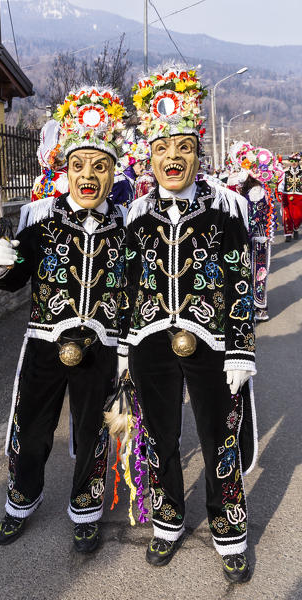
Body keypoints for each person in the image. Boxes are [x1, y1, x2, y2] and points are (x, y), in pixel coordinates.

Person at [0, 86, 127, 555]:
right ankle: (20, 502)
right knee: (31, 429)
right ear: (66, 171)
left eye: (99, 166)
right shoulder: (43, 221)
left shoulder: (124, 228)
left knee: (94, 433)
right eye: (78, 166)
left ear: (113, 170)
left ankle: (86, 512)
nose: (88, 176)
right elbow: (14, 279)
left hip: (102, 350)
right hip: (44, 347)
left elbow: (137, 291)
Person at [118, 65, 257, 583]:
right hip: (149, 342)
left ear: (199, 153)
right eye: (162, 148)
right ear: (148, 156)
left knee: (219, 437)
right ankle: (168, 520)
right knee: (158, 436)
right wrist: (122, 349)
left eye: (183, 148)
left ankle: (229, 531)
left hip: (213, 343)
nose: (172, 158)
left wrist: (241, 350)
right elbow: (123, 285)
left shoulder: (227, 208)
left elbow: (242, 283)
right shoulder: (135, 216)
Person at [234, 143, 284, 321]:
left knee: (257, 273)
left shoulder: (256, 191)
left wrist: (241, 235)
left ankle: (259, 308)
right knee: (255, 272)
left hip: (257, 239)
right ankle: (257, 307)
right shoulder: (258, 190)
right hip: (257, 238)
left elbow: (253, 218)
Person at [110, 139, 150, 207]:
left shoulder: (130, 182)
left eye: (143, 164)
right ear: (130, 165)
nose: (143, 167)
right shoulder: (120, 181)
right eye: (140, 164)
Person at [278, 152, 302, 241]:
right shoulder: (286, 173)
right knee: (287, 216)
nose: (294, 163)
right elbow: (281, 184)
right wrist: (280, 192)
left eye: (295, 161)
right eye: (292, 161)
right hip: (287, 196)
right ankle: (288, 234)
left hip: (299, 197)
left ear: (298, 161)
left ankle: (295, 229)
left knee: (298, 216)